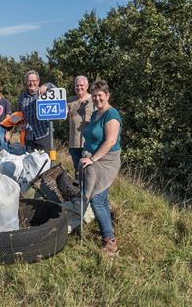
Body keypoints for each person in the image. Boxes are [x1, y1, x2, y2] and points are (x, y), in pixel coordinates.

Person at [78, 80, 122, 257]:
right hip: (92, 160)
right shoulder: (96, 114)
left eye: (100, 95)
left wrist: (92, 159)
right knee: (101, 198)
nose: (96, 98)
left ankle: (109, 241)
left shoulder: (111, 114)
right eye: (94, 95)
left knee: (96, 199)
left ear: (107, 95)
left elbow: (110, 141)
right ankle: (109, 227)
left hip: (106, 161)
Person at [17, 70, 55, 153]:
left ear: (38, 82)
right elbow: (20, 113)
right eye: (29, 81)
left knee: (47, 163)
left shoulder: (44, 92)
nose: (31, 83)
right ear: (26, 82)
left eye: (34, 81)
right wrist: (20, 123)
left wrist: (46, 85)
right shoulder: (22, 96)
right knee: (30, 164)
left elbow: (54, 88)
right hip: (29, 137)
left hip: (43, 135)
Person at [67, 75, 94, 175]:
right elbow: (61, 116)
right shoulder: (70, 101)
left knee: (88, 171)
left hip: (88, 143)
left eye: (81, 85)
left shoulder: (93, 99)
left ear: (87, 86)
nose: (79, 88)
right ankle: (78, 190)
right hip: (74, 143)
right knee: (77, 171)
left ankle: (88, 190)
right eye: (76, 85)